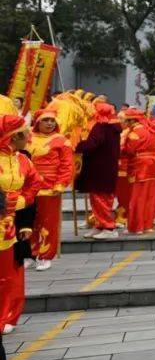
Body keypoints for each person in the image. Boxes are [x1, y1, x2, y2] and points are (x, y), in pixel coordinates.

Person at [0, 115, 42, 334]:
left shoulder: (23, 160)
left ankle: (8, 314)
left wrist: (22, 204)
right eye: (26, 133)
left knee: (11, 273)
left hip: (13, 224)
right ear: (13, 137)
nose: (30, 137)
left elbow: (35, 184)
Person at [26, 109, 74, 271]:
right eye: (46, 120)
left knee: (48, 223)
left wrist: (60, 184)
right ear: (37, 122)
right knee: (29, 222)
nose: (49, 123)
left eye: (52, 121)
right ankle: (30, 254)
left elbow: (67, 165)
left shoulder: (61, 140)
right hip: (28, 188)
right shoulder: (27, 138)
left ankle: (45, 256)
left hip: (50, 188)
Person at [76, 103, 122, 239]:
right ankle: (99, 224)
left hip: (101, 169)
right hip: (103, 168)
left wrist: (77, 145)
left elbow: (92, 144)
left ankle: (109, 227)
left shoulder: (102, 127)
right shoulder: (112, 127)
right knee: (97, 198)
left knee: (101, 199)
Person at [119, 108, 155, 234]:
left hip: (139, 166)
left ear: (131, 121)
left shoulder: (133, 134)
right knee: (149, 197)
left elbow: (128, 151)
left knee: (137, 197)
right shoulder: (150, 130)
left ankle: (136, 226)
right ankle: (147, 225)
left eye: (126, 120)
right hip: (152, 166)